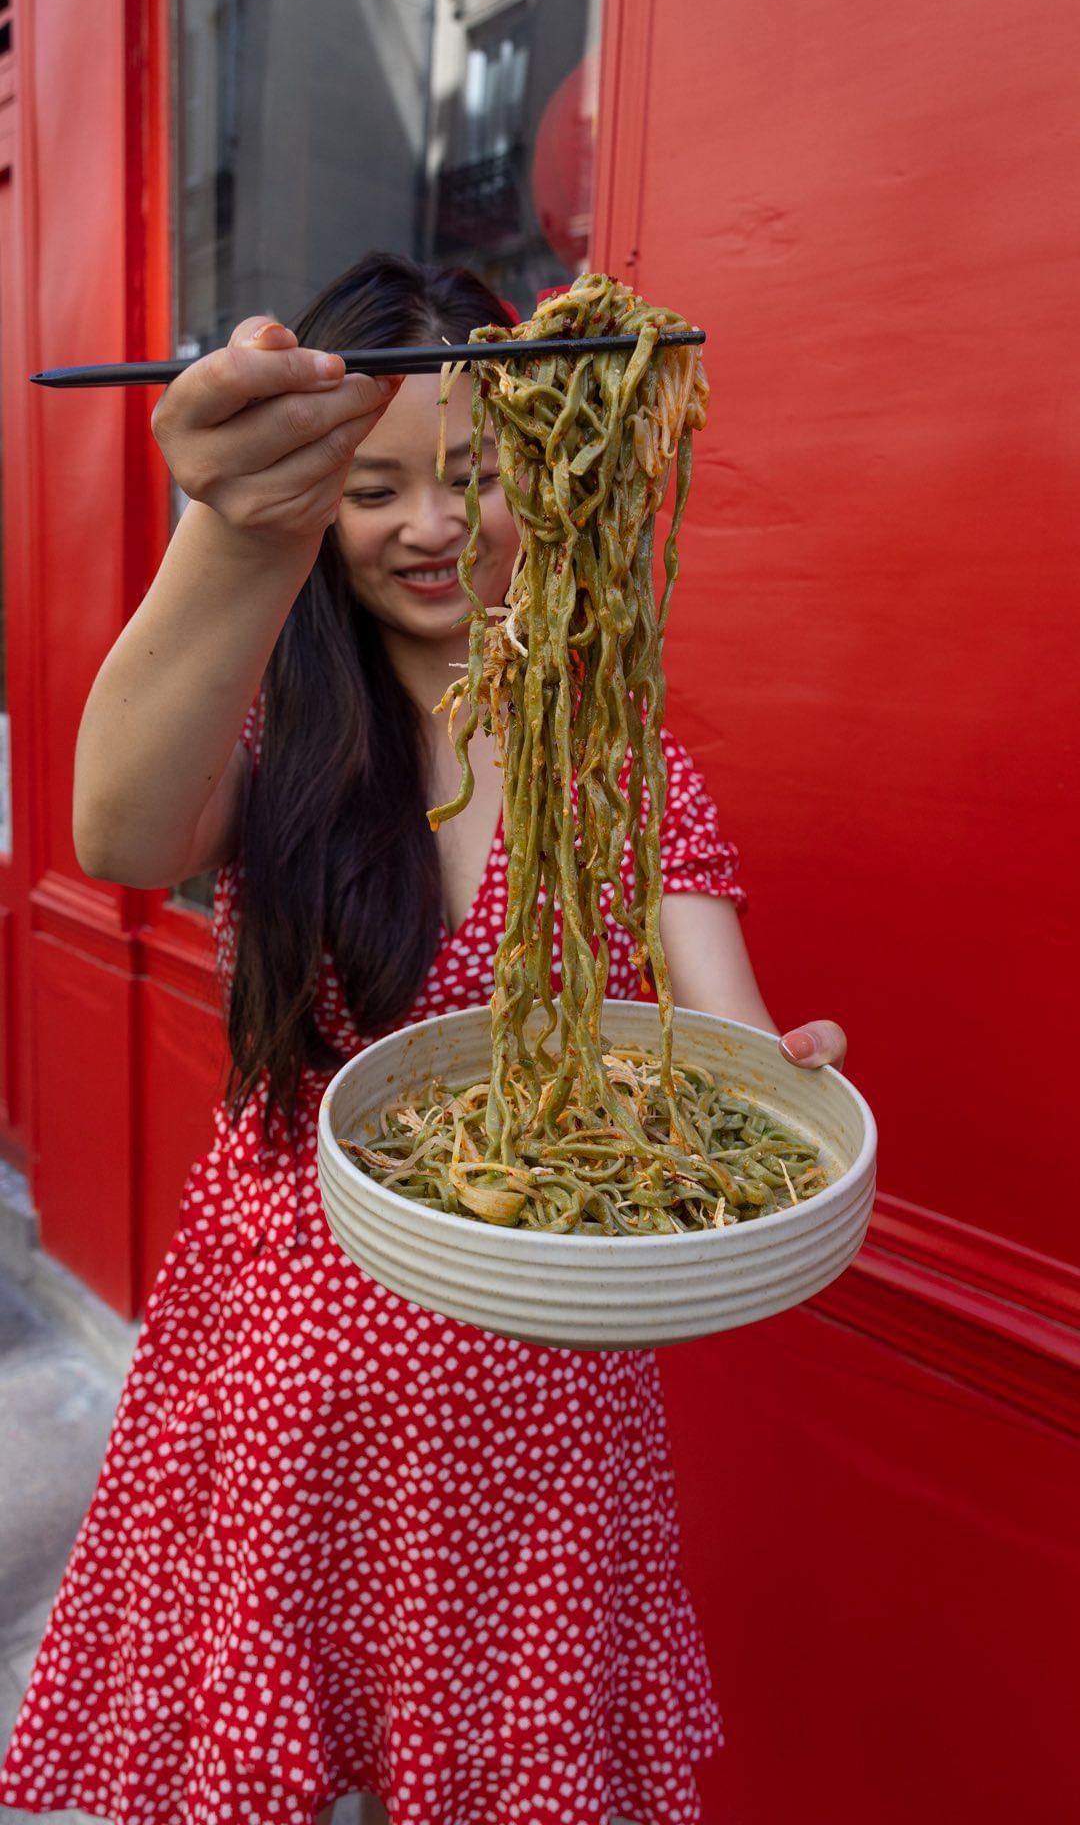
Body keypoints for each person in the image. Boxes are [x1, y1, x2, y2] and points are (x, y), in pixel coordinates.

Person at [0, 254, 847, 1825]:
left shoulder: (616, 757)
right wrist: (231, 530)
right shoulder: (279, 734)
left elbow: (727, 1033)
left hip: (541, 1394)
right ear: (319, 506)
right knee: (272, 1750)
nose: (435, 526)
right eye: (373, 487)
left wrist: (777, 1085)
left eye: (477, 475)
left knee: (499, 1763)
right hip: (299, 1362)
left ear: (551, 467)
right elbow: (118, 828)